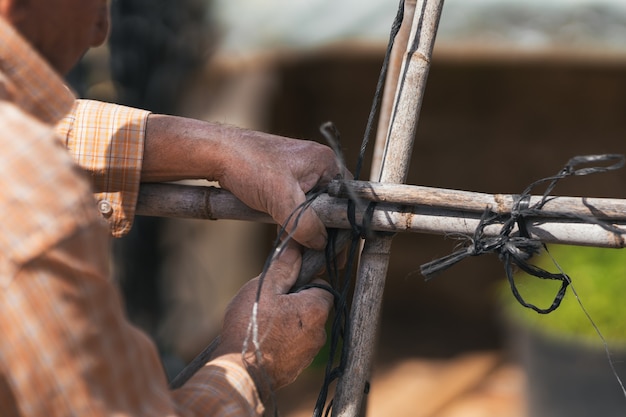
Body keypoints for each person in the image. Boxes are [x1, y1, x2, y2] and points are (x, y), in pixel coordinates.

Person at [0, 0, 342, 415]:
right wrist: (253, 363)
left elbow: (33, 125)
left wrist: (223, 149)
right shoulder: (28, 201)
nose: (101, 32)